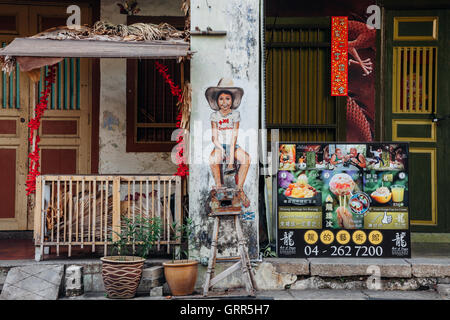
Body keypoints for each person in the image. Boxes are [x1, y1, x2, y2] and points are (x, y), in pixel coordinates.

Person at [206, 78, 250, 207]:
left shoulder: (235, 115)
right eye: (221, 99)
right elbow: (214, 138)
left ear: (232, 100)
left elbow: (234, 137)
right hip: (219, 145)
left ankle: (240, 189)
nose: (224, 102)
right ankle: (219, 188)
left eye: (227, 99)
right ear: (217, 101)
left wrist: (231, 160)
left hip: (233, 145)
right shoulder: (214, 116)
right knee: (214, 158)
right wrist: (222, 149)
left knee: (246, 159)